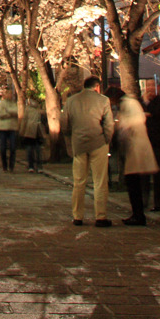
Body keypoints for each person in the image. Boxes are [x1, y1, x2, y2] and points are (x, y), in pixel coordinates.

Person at [62, 75, 114, 227]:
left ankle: (77, 216)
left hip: (79, 143)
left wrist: (70, 137)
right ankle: (101, 216)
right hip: (98, 143)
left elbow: (64, 123)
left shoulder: (71, 100)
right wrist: (107, 139)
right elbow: (109, 124)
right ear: (97, 87)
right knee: (100, 181)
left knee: (79, 181)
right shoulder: (103, 100)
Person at [118, 95, 159, 226]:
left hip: (135, 149)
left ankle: (138, 214)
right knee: (135, 183)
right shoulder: (131, 104)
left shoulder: (127, 104)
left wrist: (121, 127)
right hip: (136, 149)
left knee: (133, 183)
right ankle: (138, 213)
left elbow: (128, 124)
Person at [144, 91, 160, 210]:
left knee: (159, 174)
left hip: (158, 142)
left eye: (152, 86)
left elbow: (158, 113)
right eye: (148, 86)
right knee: (145, 174)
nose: (150, 89)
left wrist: (147, 113)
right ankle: (146, 201)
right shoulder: (144, 102)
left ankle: (159, 202)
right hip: (146, 142)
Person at [19, 94, 45, 173]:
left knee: (37, 149)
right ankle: (31, 165)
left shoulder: (39, 109)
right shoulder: (28, 109)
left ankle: (38, 166)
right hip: (30, 130)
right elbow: (24, 120)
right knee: (31, 149)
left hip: (37, 130)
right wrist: (22, 130)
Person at [0, 90, 18, 172]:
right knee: (3, 148)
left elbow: (17, 111)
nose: (10, 95)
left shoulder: (14, 104)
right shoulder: (1, 104)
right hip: (2, 128)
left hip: (12, 128)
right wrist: (10, 114)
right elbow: (0, 114)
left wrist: (8, 111)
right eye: (8, 94)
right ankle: (4, 166)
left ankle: (11, 166)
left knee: (13, 148)